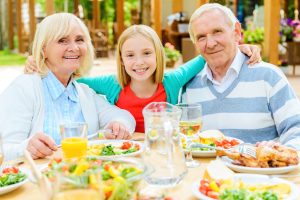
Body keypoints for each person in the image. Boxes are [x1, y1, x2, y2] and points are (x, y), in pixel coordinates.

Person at [25, 24, 261, 133]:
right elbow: (71, 77)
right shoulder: (112, 84)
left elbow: (204, 55)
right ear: (122, 60)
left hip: (162, 149)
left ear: (158, 56)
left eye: (147, 53)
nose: (139, 62)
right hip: (127, 155)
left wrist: (239, 45)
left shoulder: (171, 81)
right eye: (130, 55)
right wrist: (40, 63)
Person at [0, 13, 135, 160]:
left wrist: (119, 124)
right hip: (41, 180)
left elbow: (125, 117)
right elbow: (6, 150)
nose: (74, 47)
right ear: (43, 50)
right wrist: (26, 148)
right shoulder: (24, 88)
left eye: (79, 40)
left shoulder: (84, 92)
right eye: (62, 40)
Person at [182, 3, 300, 149]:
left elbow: (297, 131)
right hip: (206, 171)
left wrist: (280, 152)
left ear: (236, 32)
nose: (210, 43)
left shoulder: (268, 77)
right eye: (201, 37)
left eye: (217, 31)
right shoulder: (190, 87)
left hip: (260, 170)